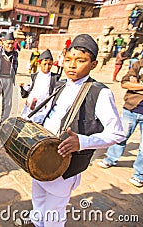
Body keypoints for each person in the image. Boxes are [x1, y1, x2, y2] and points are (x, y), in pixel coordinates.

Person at [28, 34, 125, 227]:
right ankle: (36, 223)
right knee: (38, 196)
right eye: (69, 60)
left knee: (55, 209)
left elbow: (117, 133)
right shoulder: (61, 84)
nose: (72, 65)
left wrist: (82, 142)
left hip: (66, 163)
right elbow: (52, 115)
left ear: (93, 64)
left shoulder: (100, 93)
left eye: (80, 61)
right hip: (44, 155)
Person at [97, 56, 143, 187]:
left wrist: (137, 85)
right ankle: (110, 159)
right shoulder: (138, 65)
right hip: (132, 108)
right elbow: (125, 83)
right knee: (120, 136)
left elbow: (131, 84)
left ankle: (139, 174)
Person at [20, 49, 60, 123]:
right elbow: (31, 88)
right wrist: (24, 86)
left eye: (50, 64)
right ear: (40, 63)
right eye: (44, 64)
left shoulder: (54, 77)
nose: (47, 67)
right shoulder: (34, 76)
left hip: (44, 106)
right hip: (31, 105)